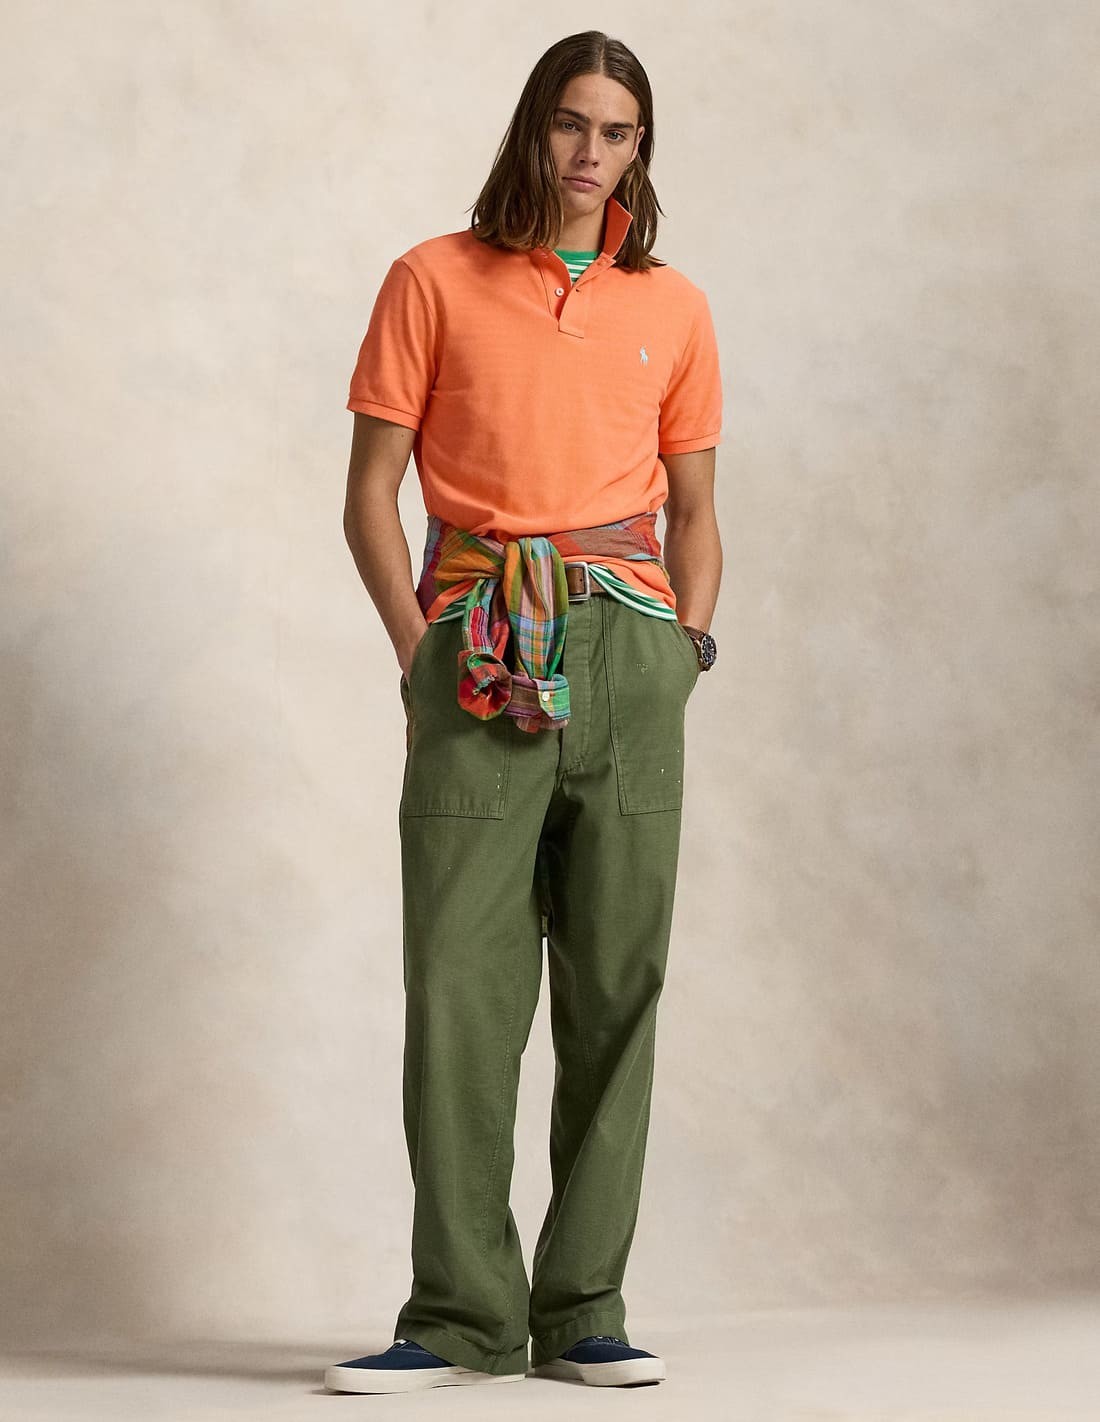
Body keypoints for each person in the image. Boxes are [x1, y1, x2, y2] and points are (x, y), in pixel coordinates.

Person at [327, 28, 722, 1396]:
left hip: (630, 650)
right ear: (530, 127)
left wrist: (686, 648)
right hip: (479, 642)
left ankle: (586, 1305)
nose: (589, 153)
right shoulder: (432, 278)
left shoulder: (673, 305)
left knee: (618, 983)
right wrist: (419, 652)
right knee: (458, 985)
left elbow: (698, 509)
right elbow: (369, 494)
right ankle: (458, 1314)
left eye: (617, 132)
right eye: (570, 124)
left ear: (639, 148)